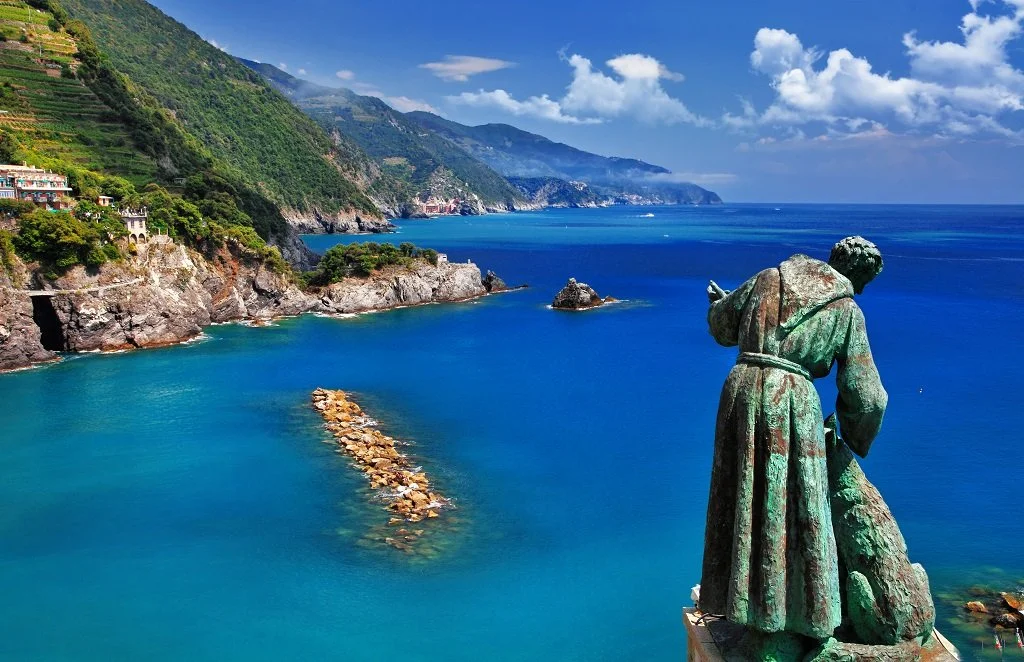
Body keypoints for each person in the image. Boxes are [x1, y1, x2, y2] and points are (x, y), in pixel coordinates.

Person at [699, 236, 888, 642]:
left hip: (742, 391)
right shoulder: (847, 311)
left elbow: (722, 325)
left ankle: (743, 606)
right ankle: (798, 618)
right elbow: (867, 394)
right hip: (791, 404)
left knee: (744, 497)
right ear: (856, 274)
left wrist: (722, 302)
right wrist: (855, 435)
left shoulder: (768, 278)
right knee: (796, 507)